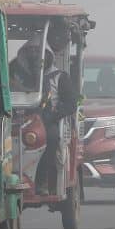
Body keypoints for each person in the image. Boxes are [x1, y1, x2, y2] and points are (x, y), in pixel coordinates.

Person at [35, 47, 78, 195]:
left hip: (49, 121)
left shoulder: (60, 77)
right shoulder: (27, 76)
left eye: (42, 56)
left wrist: (54, 114)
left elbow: (71, 104)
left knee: (51, 139)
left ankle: (42, 181)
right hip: (26, 119)